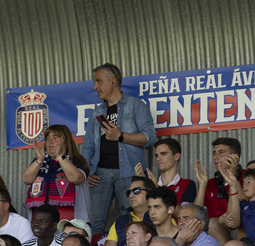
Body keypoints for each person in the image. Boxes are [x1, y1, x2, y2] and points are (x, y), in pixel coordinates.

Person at [80, 63, 157, 236]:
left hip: (129, 174)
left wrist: (120, 136)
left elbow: (150, 138)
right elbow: (88, 147)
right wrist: (86, 172)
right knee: (93, 227)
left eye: (98, 81)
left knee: (134, 223)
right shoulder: (96, 113)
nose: (95, 86)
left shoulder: (135, 105)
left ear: (113, 81)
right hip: (99, 175)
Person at [22, 125, 88, 221]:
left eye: (55, 137)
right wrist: (39, 160)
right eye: (48, 138)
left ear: (65, 141)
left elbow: (76, 178)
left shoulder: (76, 160)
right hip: (41, 221)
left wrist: (60, 157)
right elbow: (26, 179)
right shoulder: (41, 161)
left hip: (69, 222)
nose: (50, 141)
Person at [138, 137, 197, 203]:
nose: (158, 158)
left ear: (176, 156)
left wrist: (157, 190)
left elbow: (184, 213)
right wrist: (141, 185)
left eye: (163, 154)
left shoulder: (187, 184)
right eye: (156, 155)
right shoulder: (152, 186)